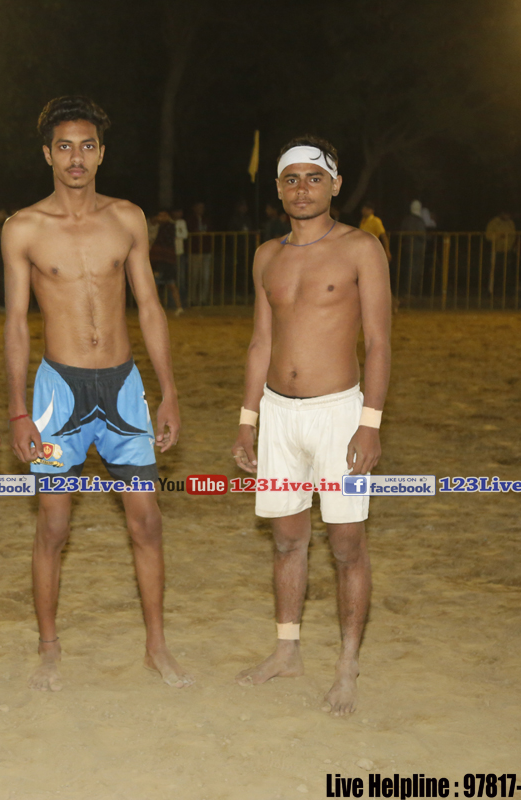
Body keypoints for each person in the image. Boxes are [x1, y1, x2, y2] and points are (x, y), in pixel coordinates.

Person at [3, 95, 191, 693]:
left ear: (102, 153)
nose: (76, 158)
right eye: (64, 147)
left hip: (123, 391)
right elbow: (14, 323)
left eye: (87, 146)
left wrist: (168, 391)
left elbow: (150, 306)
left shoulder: (127, 218)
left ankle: (156, 646)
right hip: (58, 393)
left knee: (147, 522)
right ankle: (49, 648)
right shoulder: (24, 227)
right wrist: (17, 410)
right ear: (47, 155)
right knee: (53, 525)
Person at [231, 136, 391, 717]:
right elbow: (260, 342)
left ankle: (348, 663)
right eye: (291, 178)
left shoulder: (360, 248)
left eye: (314, 177)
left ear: (335, 184)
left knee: (347, 546)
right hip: (278, 414)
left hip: (338, 413)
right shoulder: (266, 256)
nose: (302, 189)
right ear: (278, 188)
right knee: (286, 539)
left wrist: (369, 424)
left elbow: (378, 342)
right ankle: (287, 649)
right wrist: (247, 420)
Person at [150, 210, 184, 314]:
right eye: (159, 215)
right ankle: (158, 308)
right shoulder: (157, 226)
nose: (161, 217)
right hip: (159, 260)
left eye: (163, 215)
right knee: (157, 284)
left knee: (170, 284)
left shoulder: (170, 227)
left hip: (166, 260)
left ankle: (178, 307)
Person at [396, 199, 427, 301]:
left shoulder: (406, 220)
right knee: (415, 271)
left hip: (407, 249)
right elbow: (422, 235)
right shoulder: (419, 221)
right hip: (417, 249)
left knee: (407, 270)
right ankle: (412, 292)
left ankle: (406, 291)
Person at [186, 201, 213, 305]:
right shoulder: (190, 220)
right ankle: (192, 298)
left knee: (205, 277)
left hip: (206, 251)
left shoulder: (207, 220)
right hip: (195, 251)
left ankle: (203, 299)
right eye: (199, 207)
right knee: (194, 276)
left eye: (202, 207)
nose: (201, 209)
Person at [485, 211, 517, 299]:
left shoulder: (510, 223)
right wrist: (499, 236)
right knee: (493, 270)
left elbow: (513, 235)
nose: (508, 216)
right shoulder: (494, 222)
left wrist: (511, 245)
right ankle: (491, 290)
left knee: (507, 271)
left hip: (507, 250)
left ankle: (505, 290)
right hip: (496, 250)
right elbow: (488, 236)